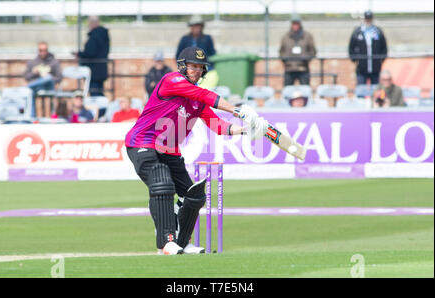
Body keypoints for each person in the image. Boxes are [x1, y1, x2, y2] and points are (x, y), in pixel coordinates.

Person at [125, 47, 268, 255]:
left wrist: (247, 130)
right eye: (193, 66)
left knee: (194, 196)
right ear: (183, 66)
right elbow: (206, 94)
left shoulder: (197, 101)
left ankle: (183, 242)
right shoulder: (170, 80)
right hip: (142, 142)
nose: (197, 71)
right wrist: (238, 110)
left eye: (201, 68)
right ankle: (166, 242)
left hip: (169, 150)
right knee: (162, 182)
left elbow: (219, 125)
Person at [24, 41, 62, 117]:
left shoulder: (54, 62)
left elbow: (59, 78)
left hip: (49, 86)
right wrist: (35, 72)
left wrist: (48, 75)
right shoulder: (33, 62)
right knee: (29, 92)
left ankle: (24, 88)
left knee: (47, 78)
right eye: (41, 50)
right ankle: (32, 117)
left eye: (45, 50)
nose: (43, 52)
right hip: (37, 88)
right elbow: (26, 76)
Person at [349, 10, 388, 85]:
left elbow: (384, 47)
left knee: (376, 90)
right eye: (366, 18)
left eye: (369, 18)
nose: (368, 20)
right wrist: (355, 59)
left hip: (375, 68)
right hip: (361, 68)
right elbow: (351, 47)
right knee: (361, 89)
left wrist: (380, 59)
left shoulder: (378, 31)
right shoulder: (358, 32)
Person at [76, 16, 110, 96]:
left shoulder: (95, 36)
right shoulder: (103, 34)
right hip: (100, 70)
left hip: (93, 71)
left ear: (91, 23)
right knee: (98, 92)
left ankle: (101, 108)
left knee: (95, 93)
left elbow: (91, 52)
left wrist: (80, 54)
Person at [279, 14, 316, 86]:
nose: (295, 26)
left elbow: (312, 51)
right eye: (293, 24)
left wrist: (305, 58)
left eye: (297, 23)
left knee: (305, 90)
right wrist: (286, 59)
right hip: (289, 69)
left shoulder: (307, 36)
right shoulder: (286, 37)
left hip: (303, 68)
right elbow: (281, 51)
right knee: (288, 90)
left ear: (300, 24)